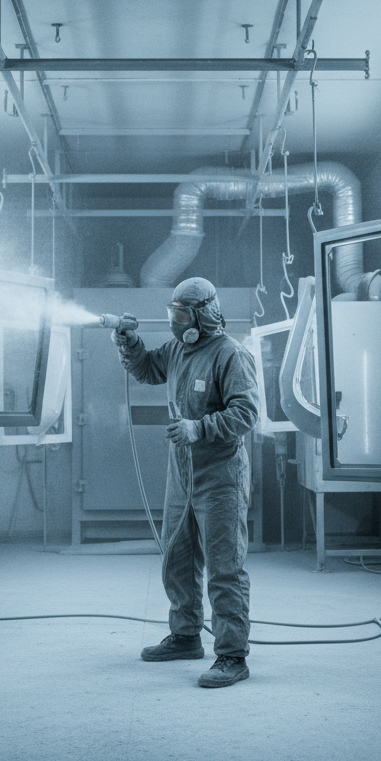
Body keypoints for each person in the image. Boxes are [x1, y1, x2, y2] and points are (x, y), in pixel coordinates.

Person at [113, 277, 259, 688]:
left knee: (224, 567)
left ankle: (232, 656)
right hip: (182, 474)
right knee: (177, 557)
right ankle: (185, 635)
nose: (175, 322)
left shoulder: (230, 354)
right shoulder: (178, 349)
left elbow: (246, 413)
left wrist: (199, 427)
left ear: (203, 315)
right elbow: (147, 369)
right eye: (172, 313)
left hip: (221, 476)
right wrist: (129, 343)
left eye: (182, 314)